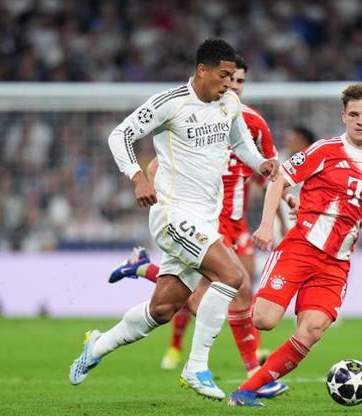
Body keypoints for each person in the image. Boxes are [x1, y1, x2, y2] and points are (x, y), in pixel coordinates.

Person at [68, 39, 279, 401]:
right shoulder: (171, 103)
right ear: (202, 70)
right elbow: (120, 135)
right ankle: (196, 367)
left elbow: (241, 143)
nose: (229, 83)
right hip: (172, 214)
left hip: (206, 218)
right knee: (231, 276)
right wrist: (138, 178)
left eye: (233, 76)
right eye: (224, 75)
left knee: (163, 309)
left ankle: (98, 345)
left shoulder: (229, 104)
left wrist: (261, 164)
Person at [227, 83, 362, 406]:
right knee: (264, 319)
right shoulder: (324, 150)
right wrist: (266, 224)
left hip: (336, 263)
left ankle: (245, 391)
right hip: (300, 248)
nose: (360, 120)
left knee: (312, 331)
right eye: (354, 114)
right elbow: (279, 178)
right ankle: (220, 298)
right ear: (344, 116)